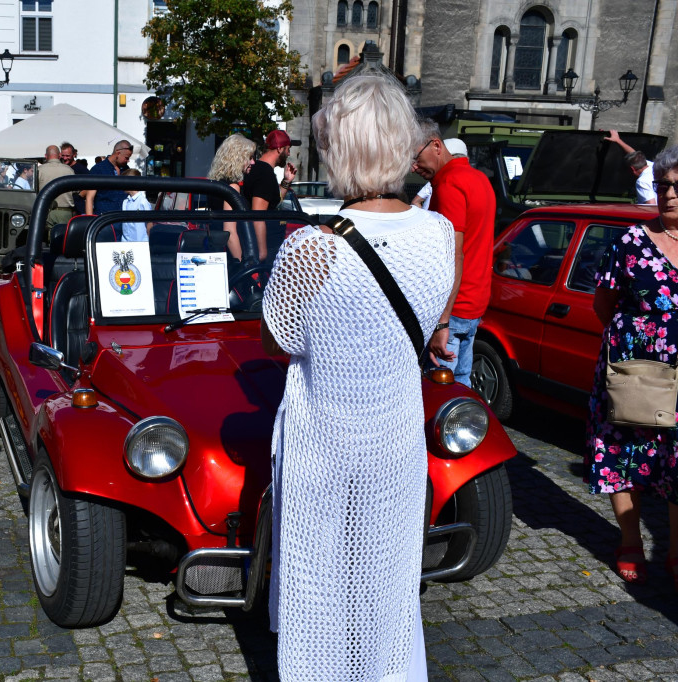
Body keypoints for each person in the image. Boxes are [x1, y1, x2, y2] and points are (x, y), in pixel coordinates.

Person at [261, 72, 454, 681]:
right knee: (388, 584)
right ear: (401, 142)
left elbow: (278, 338)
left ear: (335, 149)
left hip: (326, 447)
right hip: (396, 441)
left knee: (320, 587)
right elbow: (432, 321)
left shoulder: (312, 249)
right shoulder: (439, 233)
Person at [586, 144, 678, 589]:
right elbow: (603, 304)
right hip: (634, 372)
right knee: (624, 456)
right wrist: (638, 341)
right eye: (663, 186)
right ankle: (630, 543)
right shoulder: (631, 242)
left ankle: (676, 549)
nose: (669, 194)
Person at [413, 120, 496, 387]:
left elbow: (453, 255)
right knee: (460, 385)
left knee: (441, 391)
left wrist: (441, 322)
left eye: (416, 158)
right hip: (475, 301)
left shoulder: (450, 184)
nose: (414, 167)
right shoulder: (479, 178)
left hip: (454, 308)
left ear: (436, 145)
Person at [242, 129, 297, 261]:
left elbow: (275, 201)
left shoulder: (262, 170)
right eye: (288, 149)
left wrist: (286, 181)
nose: (289, 154)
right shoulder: (264, 173)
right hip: (266, 249)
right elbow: (258, 215)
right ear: (280, 149)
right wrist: (262, 252)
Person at [206, 133, 257, 259]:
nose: (253, 162)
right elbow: (230, 232)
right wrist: (244, 264)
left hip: (218, 254)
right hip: (232, 258)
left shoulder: (217, 183)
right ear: (238, 158)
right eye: (249, 157)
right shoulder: (233, 187)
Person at [605, 129, 656, 205]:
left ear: (632, 169)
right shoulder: (653, 166)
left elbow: (651, 205)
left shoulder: (642, 182)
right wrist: (618, 140)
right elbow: (634, 154)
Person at [85, 141, 133, 215]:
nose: (128, 161)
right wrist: (90, 220)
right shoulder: (98, 169)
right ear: (118, 153)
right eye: (126, 158)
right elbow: (89, 197)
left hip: (123, 219)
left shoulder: (126, 169)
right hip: (104, 220)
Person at [36, 145, 75, 230]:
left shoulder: (39, 170)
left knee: (44, 239)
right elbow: (76, 191)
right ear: (60, 155)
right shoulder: (69, 170)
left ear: (46, 156)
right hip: (65, 212)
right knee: (63, 239)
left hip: (44, 211)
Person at [120, 168, 151, 241]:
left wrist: (149, 244)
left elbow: (149, 223)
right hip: (126, 243)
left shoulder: (142, 202)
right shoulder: (125, 202)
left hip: (140, 243)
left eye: (123, 182)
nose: (120, 185)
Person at [60, 141, 88, 215]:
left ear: (74, 154)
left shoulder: (81, 169)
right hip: (64, 209)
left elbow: (91, 186)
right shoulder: (61, 168)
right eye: (63, 155)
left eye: (67, 155)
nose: (65, 158)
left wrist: (79, 195)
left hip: (78, 209)